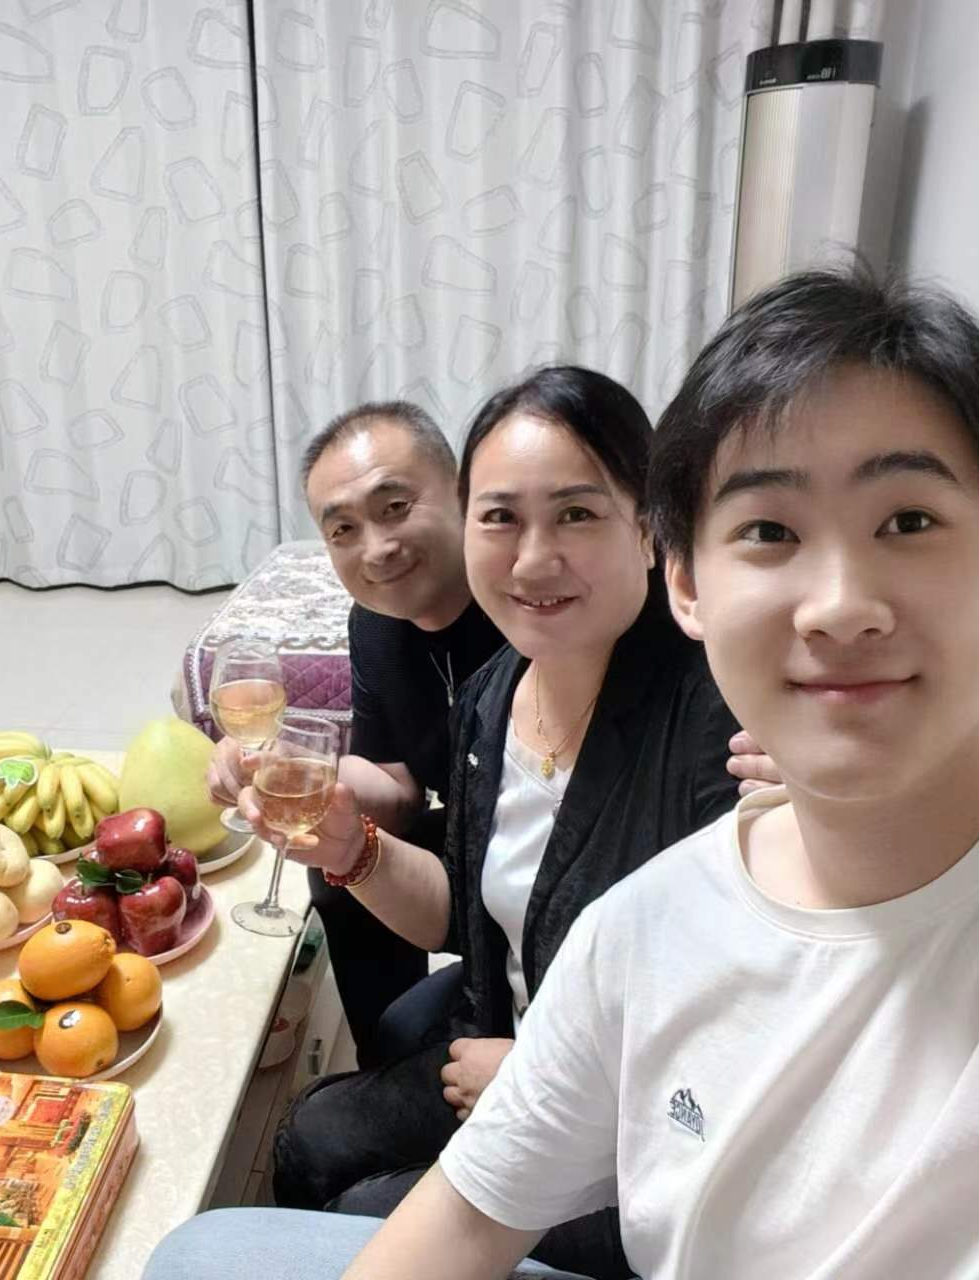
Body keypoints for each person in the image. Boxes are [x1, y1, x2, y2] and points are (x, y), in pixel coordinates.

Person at [147, 267, 979, 1280]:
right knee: (279, 1172)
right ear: (693, 580)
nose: (838, 605)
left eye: (906, 521)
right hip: (522, 1032)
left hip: (568, 1102)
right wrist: (353, 845)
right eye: (770, 530)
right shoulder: (532, 764)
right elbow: (470, 913)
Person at [250, 367, 746, 1280]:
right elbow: (466, 916)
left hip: (636, 1135)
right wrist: (353, 851)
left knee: (360, 1210)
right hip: (499, 1038)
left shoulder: (718, 728)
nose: (531, 560)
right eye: (501, 518)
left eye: (576, 514)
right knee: (311, 1133)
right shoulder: (492, 697)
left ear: (648, 526)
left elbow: (748, 1033)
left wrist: (541, 1078)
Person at [209, 400, 509, 1067]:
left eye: (395, 507)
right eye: (342, 528)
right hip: (470, 834)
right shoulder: (374, 624)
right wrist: (291, 764)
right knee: (335, 865)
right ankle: (383, 1062)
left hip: (547, 846)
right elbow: (397, 791)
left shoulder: (523, 604)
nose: (376, 549)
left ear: (461, 493)